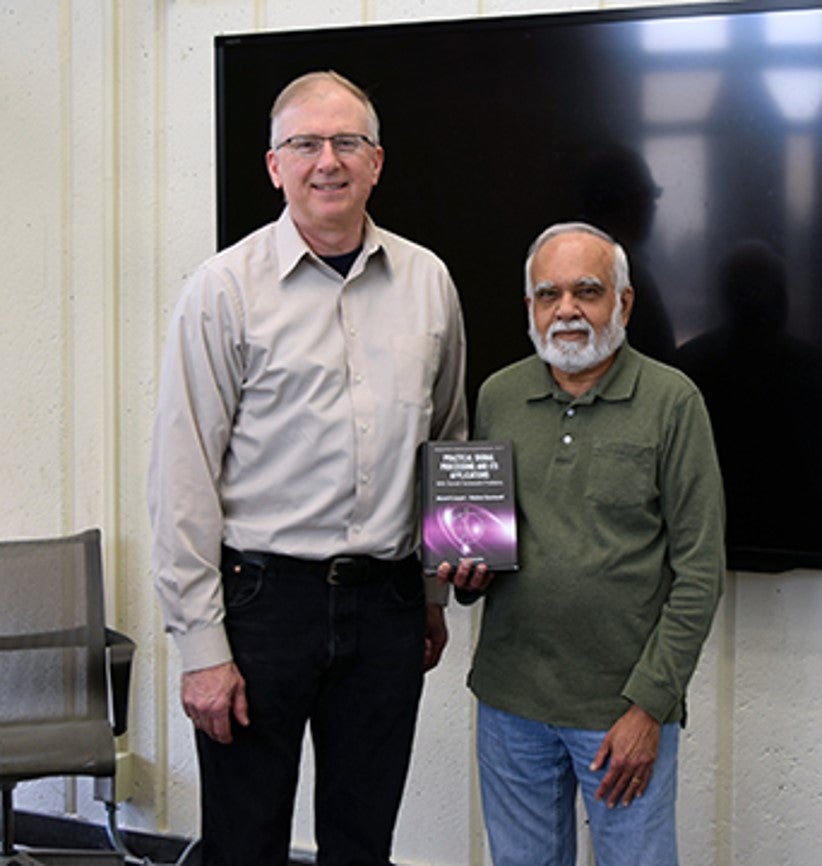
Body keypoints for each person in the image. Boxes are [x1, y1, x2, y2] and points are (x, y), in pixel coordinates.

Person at [148, 70, 467, 866]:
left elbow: (449, 444)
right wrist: (201, 649)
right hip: (262, 609)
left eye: (347, 142)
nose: (328, 160)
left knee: (363, 845)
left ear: (377, 162)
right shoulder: (222, 290)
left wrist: (431, 592)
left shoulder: (429, 282)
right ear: (274, 165)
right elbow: (182, 475)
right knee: (246, 844)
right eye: (305, 144)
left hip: (388, 607)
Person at [441, 222, 724, 866]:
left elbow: (701, 572)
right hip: (511, 706)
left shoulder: (673, 402)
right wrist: (464, 576)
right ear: (531, 309)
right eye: (549, 294)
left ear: (622, 303)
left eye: (587, 291)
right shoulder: (498, 396)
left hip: (621, 711)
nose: (566, 310)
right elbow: (481, 538)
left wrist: (649, 707)